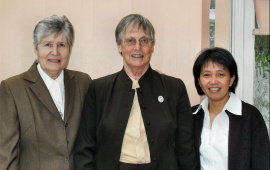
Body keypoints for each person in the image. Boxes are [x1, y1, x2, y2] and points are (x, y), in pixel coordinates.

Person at [74, 14, 198, 170]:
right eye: (130, 41)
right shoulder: (98, 89)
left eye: (144, 40)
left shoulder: (174, 88)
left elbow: (186, 149)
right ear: (119, 46)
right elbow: (84, 148)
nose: (137, 47)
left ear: (152, 46)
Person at [0, 15, 91, 170]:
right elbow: (6, 155)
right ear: (36, 47)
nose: (55, 52)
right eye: (48, 44)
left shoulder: (83, 82)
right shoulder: (12, 89)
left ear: (69, 48)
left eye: (62, 44)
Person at [192, 47, 269, 170]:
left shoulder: (251, 116)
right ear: (199, 81)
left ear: (231, 79)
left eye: (221, 75)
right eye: (207, 75)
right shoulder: (192, 115)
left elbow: (262, 163)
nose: (213, 81)